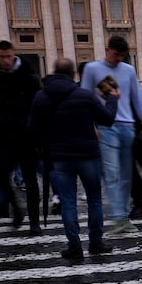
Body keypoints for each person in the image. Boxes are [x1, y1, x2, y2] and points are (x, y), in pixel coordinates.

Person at [29, 59, 119, 261]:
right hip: (87, 154)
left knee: (68, 201)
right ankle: (96, 242)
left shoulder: (41, 97)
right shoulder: (85, 95)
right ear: (73, 75)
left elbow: (32, 129)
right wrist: (112, 98)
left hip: (59, 156)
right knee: (94, 199)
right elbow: (107, 119)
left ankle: (74, 246)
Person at [80, 36, 142, 231]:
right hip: (106, 127)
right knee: (112, 173)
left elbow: (137, 98)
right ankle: (119, 217)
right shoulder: (92, 69)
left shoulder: (128, 70)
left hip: (127, 126)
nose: (119, 58)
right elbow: (85, 98)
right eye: (116, 54)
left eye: (122, 55)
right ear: (107, 50)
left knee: (127, 174)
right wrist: (90, 126)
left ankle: (124, 215)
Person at [0, 40, 42, 231]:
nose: (5, 61)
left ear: (13, 55)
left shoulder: (28, 78)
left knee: (30, 180)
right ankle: (16, 209)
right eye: (2, 57)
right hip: (0, 137)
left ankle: (35, 222)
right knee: (3, 179)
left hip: (25, 136)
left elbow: (37, 107)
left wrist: (36, 133)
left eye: (8, 57)